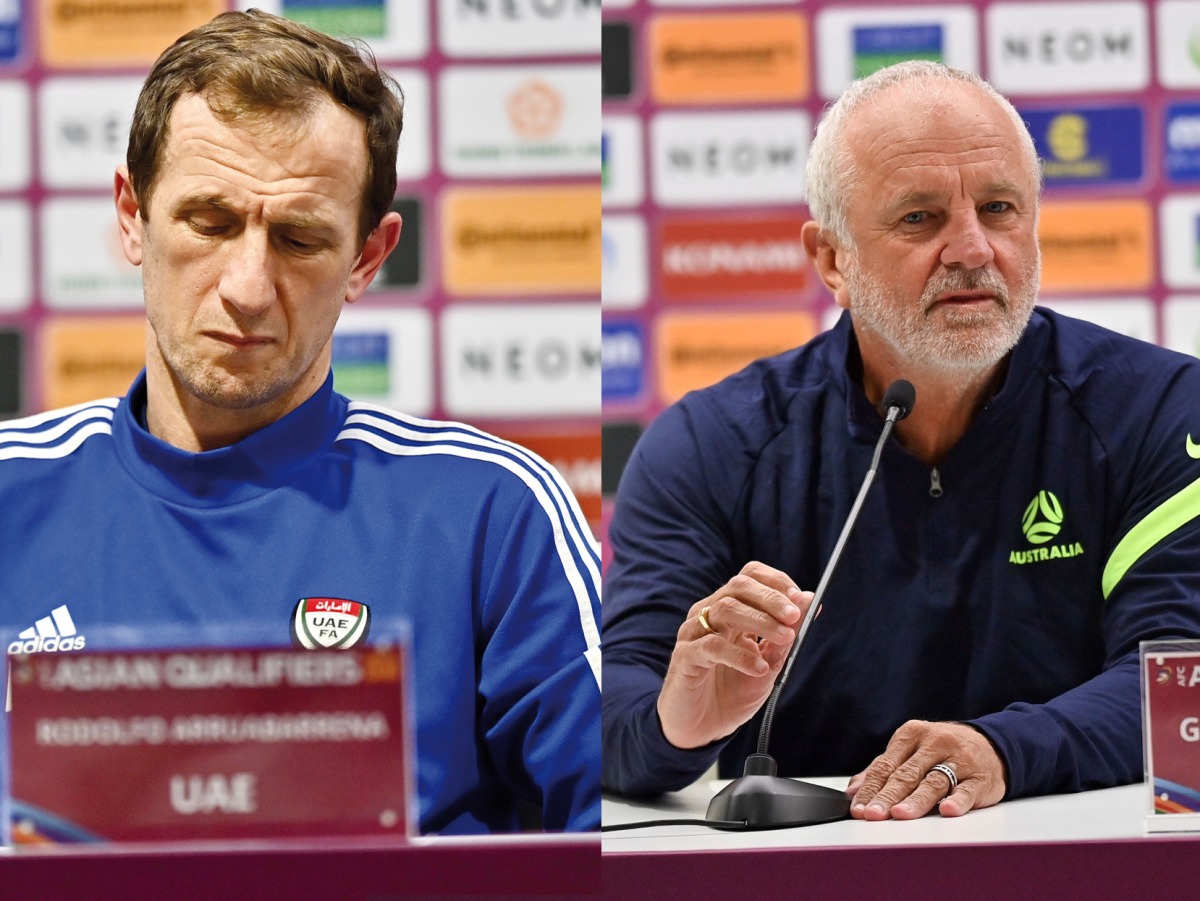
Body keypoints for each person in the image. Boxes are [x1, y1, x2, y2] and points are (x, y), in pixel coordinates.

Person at [0, 10, 600, 835]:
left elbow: (619, 837)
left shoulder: (491, 511)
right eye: (209, 222)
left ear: (367, 257)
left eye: (298, 238)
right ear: (132, 215)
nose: (247, 286)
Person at [601, 60, 1200, 821]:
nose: (974, 249)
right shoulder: (711, 443)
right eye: (920, 218)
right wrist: (672, 724)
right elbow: (614, 693)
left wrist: (1004, 750)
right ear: (830, 259)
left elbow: (1181, 679)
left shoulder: (1156, 409)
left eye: (1000, 207)